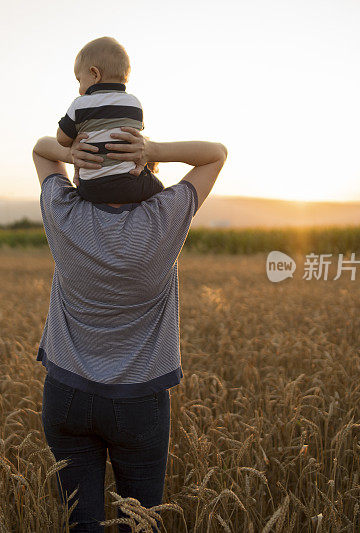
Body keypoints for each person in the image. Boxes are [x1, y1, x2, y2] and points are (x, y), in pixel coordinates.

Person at [32, 127, 227, 532]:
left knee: (80, 523)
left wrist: (78, 155)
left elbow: (40, 149)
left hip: (66, 392)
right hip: (140, 398)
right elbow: (215, 154)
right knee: (140, 523)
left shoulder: (64, 211)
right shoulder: (164, 216)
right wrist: (152, 149)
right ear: (145, 169)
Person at [56, 36, 164, 204]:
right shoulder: (134, 104)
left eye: (79, 80)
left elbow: (62, 139)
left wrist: (75, 139)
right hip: (129, 186)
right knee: (159, 189)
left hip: (89, 189)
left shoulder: (79, 104)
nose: (79, 89)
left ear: (94, 74)